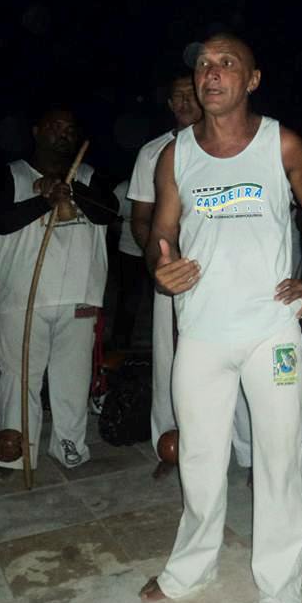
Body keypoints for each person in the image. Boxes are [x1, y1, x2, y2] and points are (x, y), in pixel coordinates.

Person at [138, 34, 302, 603]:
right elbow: (158, 236)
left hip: (270, 328)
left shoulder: (283, 143)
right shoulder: (177, 155)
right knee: (198, 457)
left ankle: (280, 585)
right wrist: (160, 268)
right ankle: (191, 567)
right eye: (202, 65)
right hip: (200, 330)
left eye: (226, 64)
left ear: (252, 79)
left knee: (278, 458)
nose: (211, 74)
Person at [0, 107, 118, 480]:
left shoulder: (89, 177)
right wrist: (43, 199)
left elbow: (108, 213)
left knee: (72, 379)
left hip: (79, 294)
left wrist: (70, 189)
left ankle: (69, 445)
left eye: (70, 128)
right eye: (55, 126)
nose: (63, 133)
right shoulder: (11, 173)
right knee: (18, 377)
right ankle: (14, 453)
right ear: (36, 130)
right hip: (23, 297)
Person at [127, 73, 203, 479]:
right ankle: (170, 444)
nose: (184, 102)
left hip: (221, 276)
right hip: (171, 275)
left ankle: (239, 447)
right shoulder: (154, 152)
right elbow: (141, 218)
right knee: (170, 360)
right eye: (176, 97)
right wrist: (159, 262)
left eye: (190, 94)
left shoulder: (228, 147)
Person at [110, 178, 147, 350]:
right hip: (130, 252)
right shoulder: (124, 188)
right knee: (128, 301)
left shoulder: (164, 182)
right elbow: (112, 217)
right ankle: (119, 349)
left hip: (159, 252)